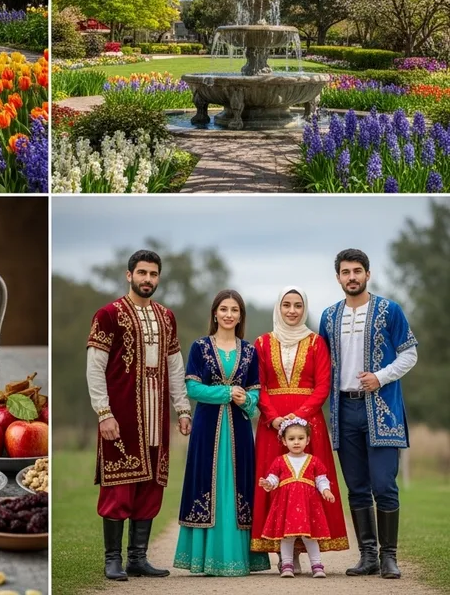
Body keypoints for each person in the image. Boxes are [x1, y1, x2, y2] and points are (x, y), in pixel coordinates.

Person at [87, 249, 192, 581]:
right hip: (121, 416)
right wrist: (103, 413)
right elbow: (95, 367)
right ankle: (112, 560)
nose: (148, 279)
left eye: (154, 274)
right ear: (128, 274)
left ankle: (138, 558)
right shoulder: (107, 315)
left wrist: (182, 408)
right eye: (142, 273)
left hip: (156, 417)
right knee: (119, 487)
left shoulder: (166, 317)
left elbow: (175, 367)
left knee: (151, 486)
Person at [319, 248, 418, 579]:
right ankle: (368, 556)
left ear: (368, 274)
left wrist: (381, 376)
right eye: (345, 272)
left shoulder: (390, 310)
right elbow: (321, 365)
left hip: (382, 409)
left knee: (383, 484)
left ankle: (389, 557)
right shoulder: (329, 317)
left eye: (357, 271)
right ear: (338, 278)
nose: (352, 277)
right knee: (357, 486)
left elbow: (410, 354)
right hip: (343, 409)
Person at [174, 289, 270, 576]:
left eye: (235, 310)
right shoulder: (199, 347)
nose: (229, 315)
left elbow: (256, 394)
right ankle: (205, 558)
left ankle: (240, 557)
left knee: (238, 485)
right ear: (215, 313)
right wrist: (228, 392)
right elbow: (192, 388)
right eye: (224, 309)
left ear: (241, 316)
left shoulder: (250, 351)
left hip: (239, 429)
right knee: (207, 482)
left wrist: (246, 400)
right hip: (207, 429)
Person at [251, 287, 348, 568]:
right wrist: (273, 416)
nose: (292, 311)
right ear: (278, 308)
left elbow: (322, 386)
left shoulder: (316, 342)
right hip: (273, 425)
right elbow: (261, 385)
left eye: (297, 305)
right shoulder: (262, 343)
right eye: (286, 305)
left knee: (307, 484)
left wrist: (299, 418)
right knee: (278, 484)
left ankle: (306, 551)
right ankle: (285, 555)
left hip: (309, 425)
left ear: (304, 308)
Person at [258, 417, 336, 578]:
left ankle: (317, 565)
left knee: (310, 536)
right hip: (286, 505)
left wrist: (326, 490)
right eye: (291, 439)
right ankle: (287, 565)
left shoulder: (313, 461)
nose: (296, 442)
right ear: (284, 441)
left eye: (300, 438)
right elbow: (274, 478)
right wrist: (268, 483)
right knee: (287, 537)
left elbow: (321, 479)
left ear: (307, 440)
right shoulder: (280, 461)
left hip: (308, 505)